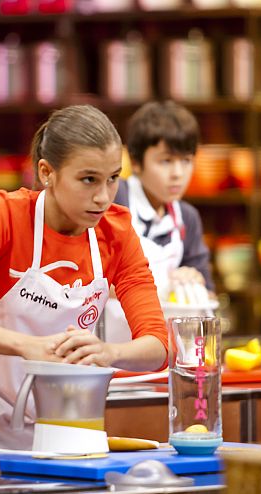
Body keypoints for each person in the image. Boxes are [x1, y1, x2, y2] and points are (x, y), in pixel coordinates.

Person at [0, 104, 168, 449]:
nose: (103, 197)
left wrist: (110, 352)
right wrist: (26, 346)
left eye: (112, 179)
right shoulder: (7, 215)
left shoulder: (117, 233)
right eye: (88, 179)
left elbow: (158, 344)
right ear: (47, 172)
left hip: (61, 428)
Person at [104, 101, 215, 343]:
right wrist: (163, 284)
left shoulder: (187, 217)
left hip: (163, 347)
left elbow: (209, 293)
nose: (178, 173)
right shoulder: (113, 199)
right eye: (166, 161)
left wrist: (192, 282)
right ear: (135, 162)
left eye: (186, 161)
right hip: (109, 345)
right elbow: (92, 280)